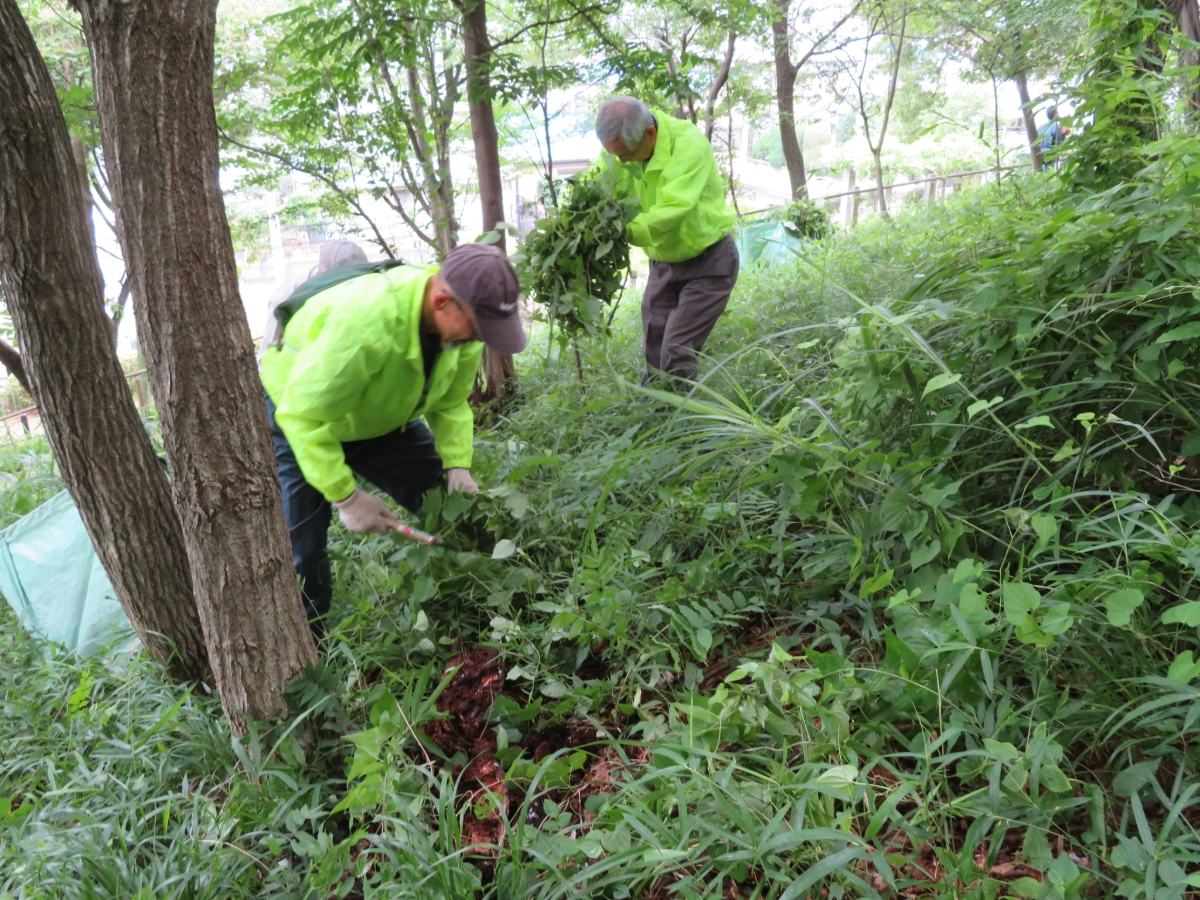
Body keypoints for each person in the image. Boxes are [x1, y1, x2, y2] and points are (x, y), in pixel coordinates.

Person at [259, 243, 525, 633]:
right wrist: (346, 497)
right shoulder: (362, 327)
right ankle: (308, 646)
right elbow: (303, 416)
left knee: (451, 508)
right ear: (442, 302)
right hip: (304, 414)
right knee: (304, 547)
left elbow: (451, 402)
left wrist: (458, 466)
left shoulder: (463, 334)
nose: (479, 338)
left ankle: (485, 602)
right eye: (477, 328)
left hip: (381, 412)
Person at [594, 96, 739, 384]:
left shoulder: (688, 144)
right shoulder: (619, 149)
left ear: (650, 133)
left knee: (677, 348)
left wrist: (622, 232)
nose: (620, 161)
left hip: (709, 261)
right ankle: (655, 407)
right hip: (663, 262)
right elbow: (599, 184)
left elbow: (675, 207)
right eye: (614, 155)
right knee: (655, 344)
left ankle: (682, 411)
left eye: (625, 154)